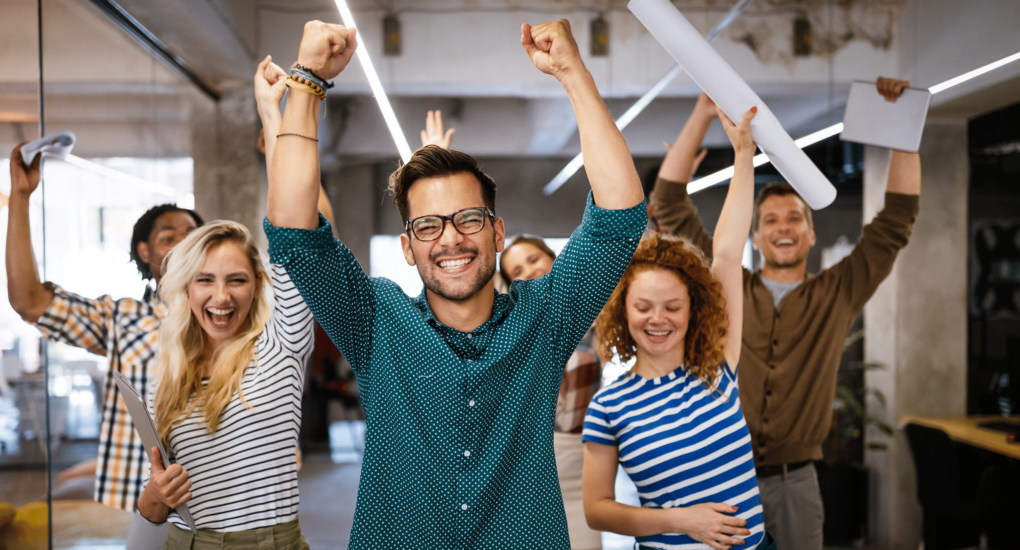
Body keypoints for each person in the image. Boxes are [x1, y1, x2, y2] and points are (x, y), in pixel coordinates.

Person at [255, 16, 646, 548]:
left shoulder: (546, 317)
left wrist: (572, 73)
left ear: (497, 231)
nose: (451, 239)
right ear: (409, 247)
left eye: (468, 219)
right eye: (428, 225)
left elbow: (619, 218)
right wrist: (306, 84)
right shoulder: (374, 321)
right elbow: (294, 235)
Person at [651, 79, 921, 549]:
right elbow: (669, 204)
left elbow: (895, 221)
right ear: (755, 236)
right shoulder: (724, 288)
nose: (782, 228)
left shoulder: (838, 291)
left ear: (811, 234)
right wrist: (702, 112)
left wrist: (902, 124)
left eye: (794, 217)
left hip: (795, 484)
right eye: (770, 220)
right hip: (718, 482)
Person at [582, 106, 767, 550]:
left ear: (693, 310)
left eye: (673, 306)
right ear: (623, 313)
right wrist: (684, 521)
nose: (658, 319)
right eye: (643, 306)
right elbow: (597, 509)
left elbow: (725, 252)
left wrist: (744, 156)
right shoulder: (608, 406)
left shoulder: (719, 368)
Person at [6, 143, 203, 546]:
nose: (184, 243)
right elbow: (29, 301)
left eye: (194, 236)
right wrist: (20, 197)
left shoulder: (234, 313)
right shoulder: (123, 317)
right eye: (169, 237)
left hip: (224, 493)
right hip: (143, 498)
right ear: (144, 253)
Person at [135, 220, 314, 548]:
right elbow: (153, 510)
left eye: (237, 280)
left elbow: (296, 229)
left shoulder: (281, 346)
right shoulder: (166, 375)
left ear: (258, 284)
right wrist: (158, 492)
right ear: (187, 286)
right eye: (205, 280)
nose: (221, 297)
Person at [500, 235, 605, 550]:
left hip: (584, 465)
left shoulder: (590, 309)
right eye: (517, 270)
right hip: (529, 470)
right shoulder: (512, 330)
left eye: (533, 259)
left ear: (553, 258)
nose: (529, 271)